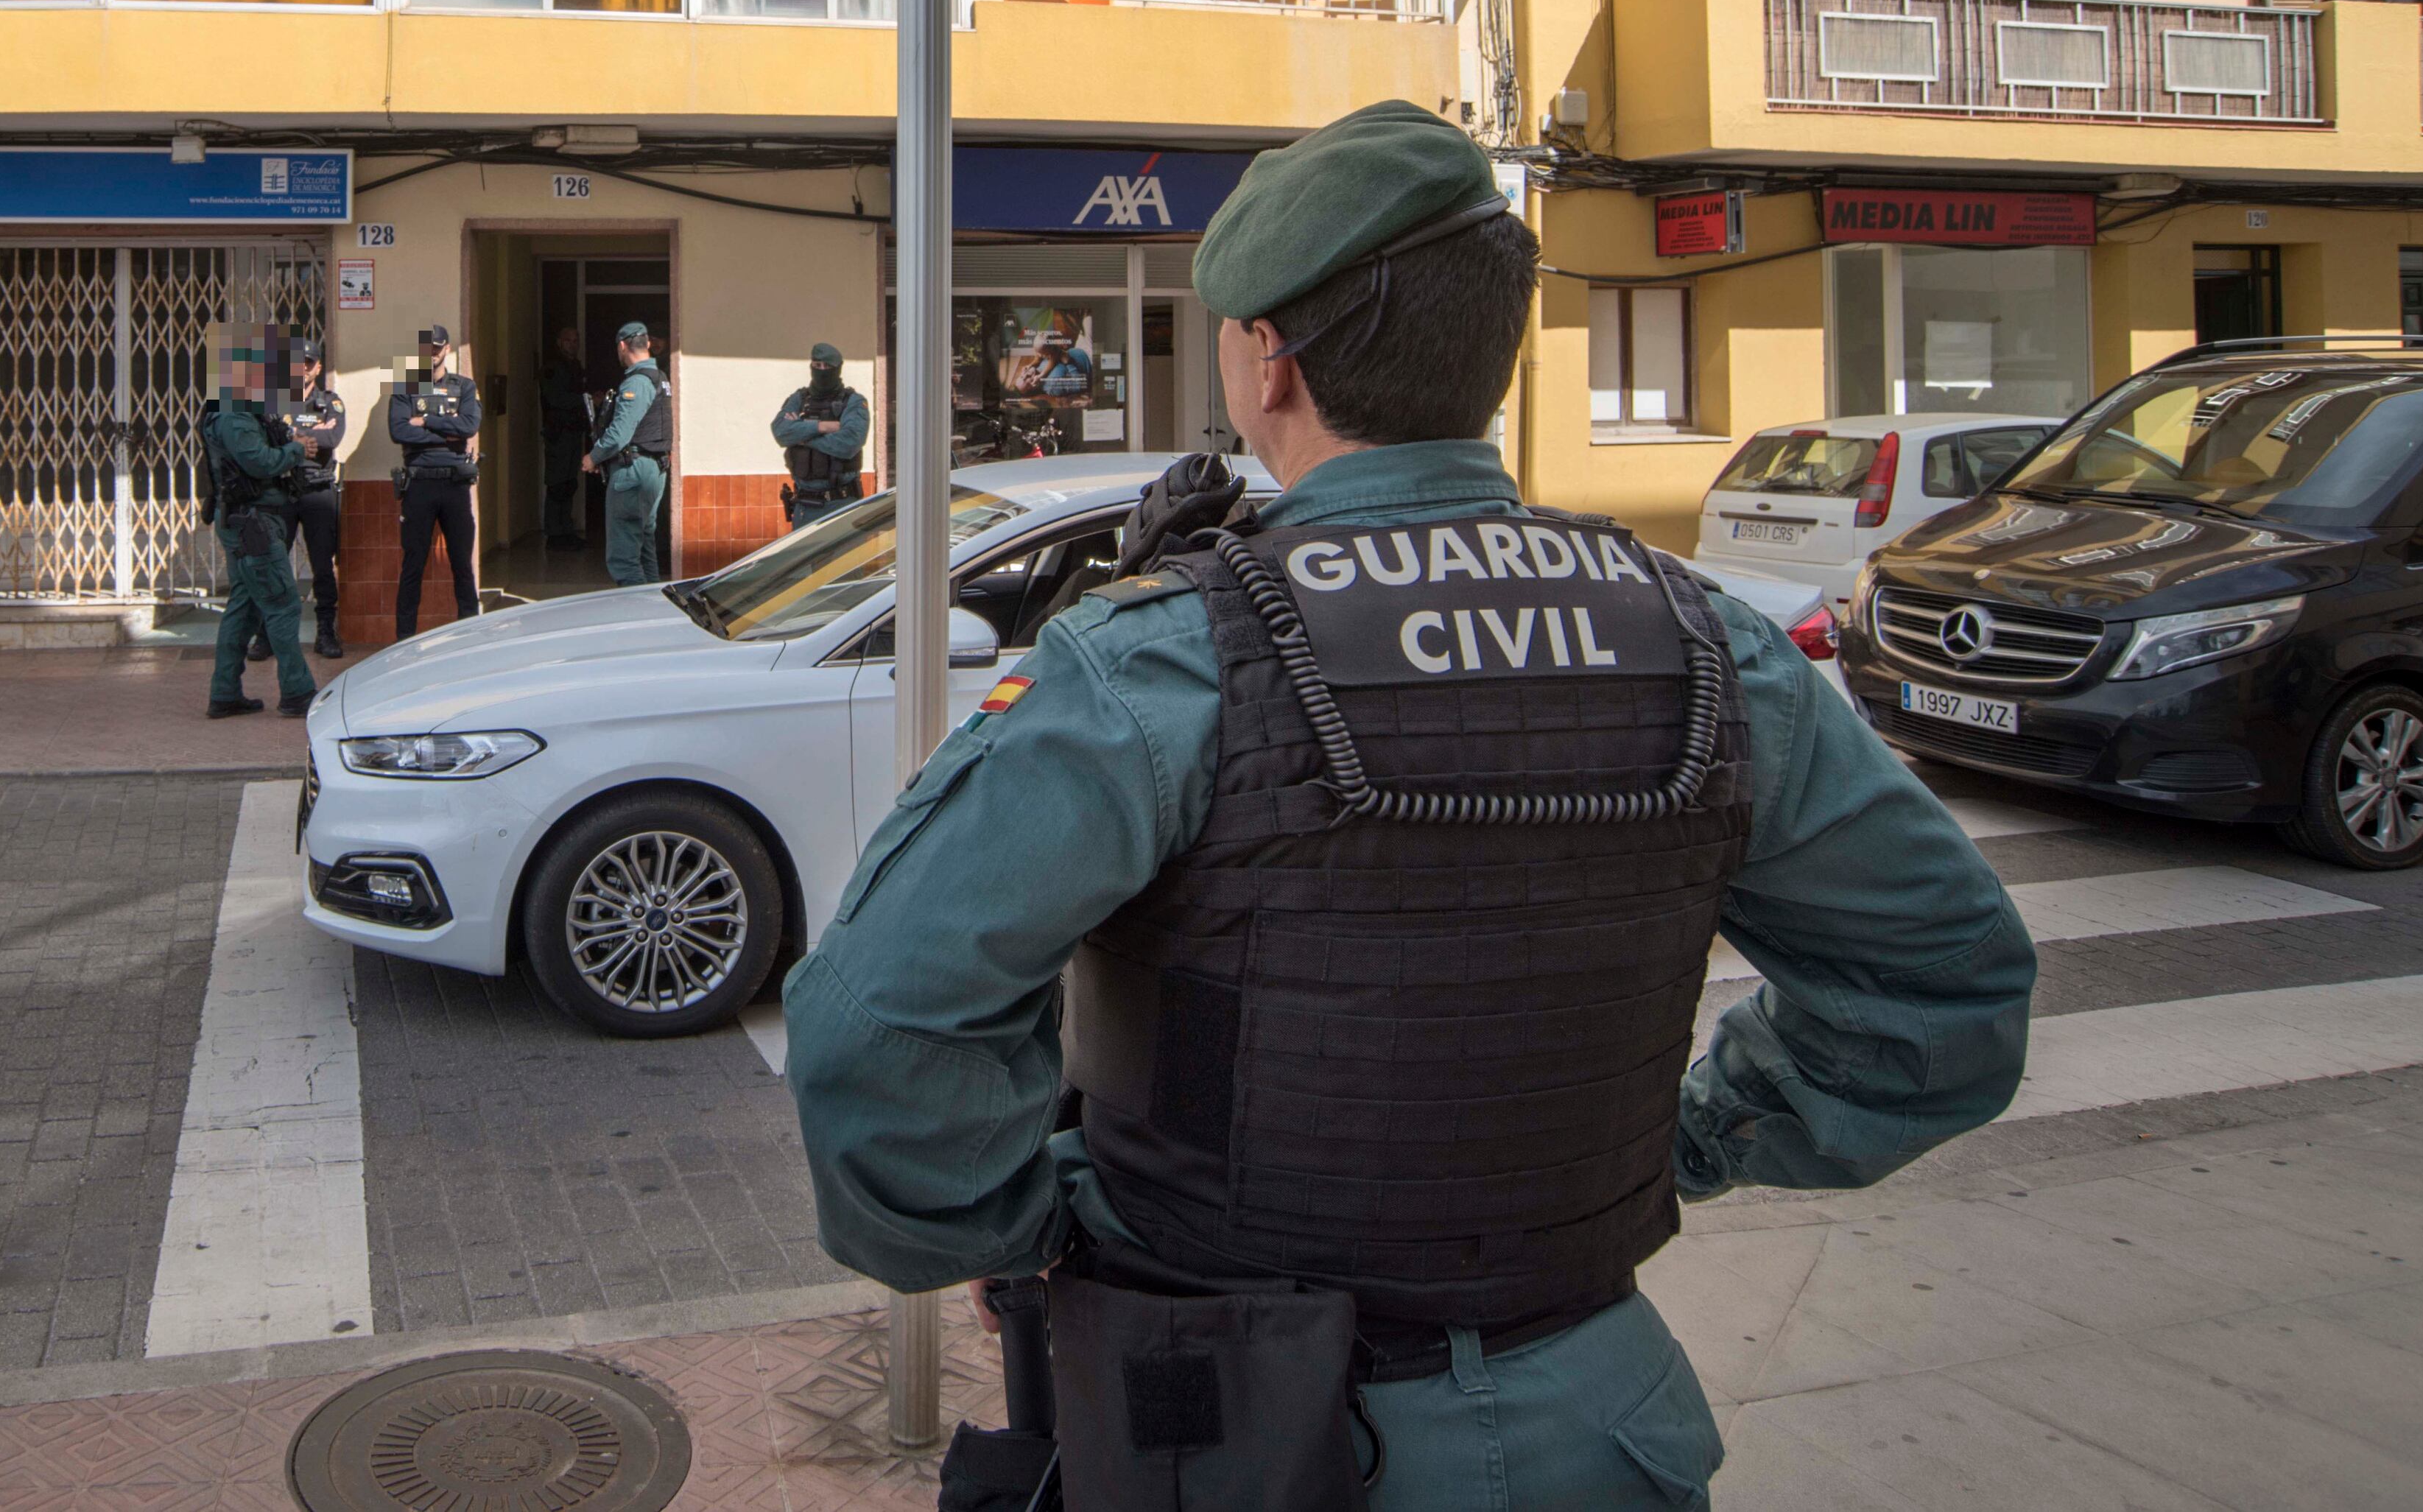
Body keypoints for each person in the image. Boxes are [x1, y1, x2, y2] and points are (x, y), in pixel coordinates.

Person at [783, 100, 2035, 1512]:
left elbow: (877, 1029)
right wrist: (1690, 1141)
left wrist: (1038, 1222)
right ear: (1491, 361)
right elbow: (1947, 990)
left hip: (1236, 1428)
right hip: (1599, 1420)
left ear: (1270, 362)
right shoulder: (1709, 642)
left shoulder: (1166, 658)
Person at [199, 327, 316, 721]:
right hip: (253, 523)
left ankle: (225, 693)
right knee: (282, 605)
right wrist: (296, 450)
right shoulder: (233, 413)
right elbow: (260, 462)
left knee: (244, 608)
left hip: (249, 521)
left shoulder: (241, 408)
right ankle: (298, 693)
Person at [388, 325, 485, 637]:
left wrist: (426, 421)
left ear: (447, 349)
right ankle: (403, 640)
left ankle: (469, 637)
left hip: (455, 485)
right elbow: (399, 431)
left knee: (462, 566)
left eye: (437, 348)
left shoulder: (465, 387)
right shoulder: (406, 385)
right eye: (426, 348)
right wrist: (449, 432)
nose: (431, 354)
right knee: (413, 566)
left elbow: (470, 426)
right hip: (419, 484)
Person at [581, 319, 671, 587]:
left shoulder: (638, 382)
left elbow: (619, 434)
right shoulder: (660, 377)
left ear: (622, 346)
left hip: (634, 471)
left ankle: (637, 615)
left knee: (624, 557)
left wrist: (593, 457)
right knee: (645, 549)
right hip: (653, 468)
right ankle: (655, 611)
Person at [277, 337, 349, 661]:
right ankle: (268, 636)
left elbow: (333, 437)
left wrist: (291, 435)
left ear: (318, 367)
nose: (301, 369)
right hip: (282, 490)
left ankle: (325, 632)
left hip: (319, 492)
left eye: (308, 363)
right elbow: (270, 435)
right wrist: (307, 435)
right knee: (275, 566)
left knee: (323, 566)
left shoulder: (331, 402)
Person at [771, 342, 871, 532]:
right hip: (805, 506)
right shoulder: (799, 399)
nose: (822, 371)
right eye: (817, 366)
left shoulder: (853, 402)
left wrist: (801, 435)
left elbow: (849, 443)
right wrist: (823, 427)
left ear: (838, 369)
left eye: (828, 367)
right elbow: (781, 432)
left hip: (842, 504)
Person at [538, 323, 596, 549]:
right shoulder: (553, 368)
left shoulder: (574, 366)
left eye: (576, 341)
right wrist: (585, 399)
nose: (573, 345)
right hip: (559, 433)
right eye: (568, 341)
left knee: (569, 483)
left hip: (572, 432)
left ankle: (565, 531)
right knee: (558, 484)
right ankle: (555, 534)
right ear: (559, 343)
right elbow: (556, 399)